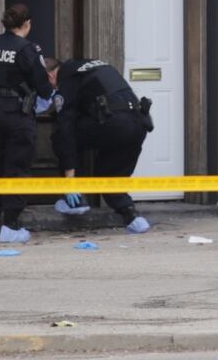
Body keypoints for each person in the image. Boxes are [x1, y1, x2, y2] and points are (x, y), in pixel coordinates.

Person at [45, 57, 152, 233]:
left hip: (114, 122)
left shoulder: (67, 78)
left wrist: (70, 182)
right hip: (139, 123)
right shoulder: (92, 65)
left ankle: (75, 200)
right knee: (109, 176)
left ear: (50, 77)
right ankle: (132, 217)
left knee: (62, 136)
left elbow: (66, 128)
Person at [0, 4, 54, 243]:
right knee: (17, 168)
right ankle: (10, 226)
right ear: (27, 24)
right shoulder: (27, 49)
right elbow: (43, 86)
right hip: (16, 115)